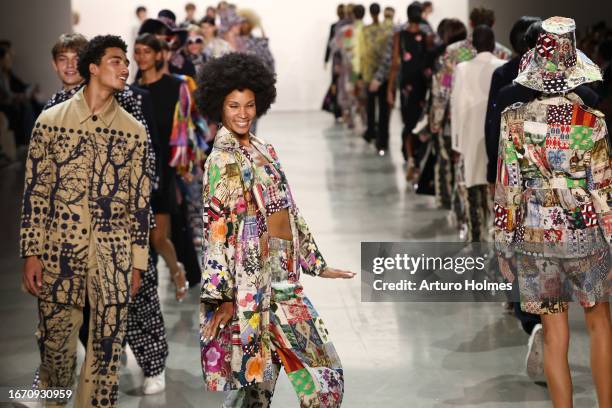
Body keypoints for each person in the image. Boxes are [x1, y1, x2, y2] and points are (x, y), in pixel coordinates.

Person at [198, 53, 355, 407]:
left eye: (250, 105)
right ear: (219, 107)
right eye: (233, 105)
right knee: (323, 380)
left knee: (257, 388)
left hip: (285, 277)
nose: (242, 113)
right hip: (256, 287)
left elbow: (289, 211)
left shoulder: (262, 148)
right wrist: (221, 297)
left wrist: (316, 262)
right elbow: (216, 230)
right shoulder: (221, 160)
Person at [20, 35, 150, 407]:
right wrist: (31, 252)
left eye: (127, 62)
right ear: (92, 67)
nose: (125, 68)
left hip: (113, 256)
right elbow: (36, 194)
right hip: (59, 252)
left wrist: (137, 263)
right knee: (55, 349)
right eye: (115, 61)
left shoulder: (133, 132)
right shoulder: (51, 123)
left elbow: (139, 204)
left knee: (107, 352)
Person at [495, 17, 612, 407]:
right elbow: (604, 189)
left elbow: (507, 190)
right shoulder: (592, 121)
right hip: (586, 234)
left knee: (554, 332)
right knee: (598, 324)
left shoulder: (513, 121)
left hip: (536, 234)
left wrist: (503, 246)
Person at [429, 6, 511, 239]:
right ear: (493, 24)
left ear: (471, 25)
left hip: (464, 125)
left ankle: (470, 227)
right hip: (496, 127)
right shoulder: (503, 55)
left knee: (466, 179)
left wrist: (436, 122)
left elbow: (443, 90)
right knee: (495, 180)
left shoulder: (453, 53)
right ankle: (494, 230)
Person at [133, 33, 190, 301]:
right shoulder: (131, 90)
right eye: (138, 51)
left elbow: (183, 131)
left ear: (158, 55)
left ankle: (176, 268)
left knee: (158, 237)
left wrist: (183, 166)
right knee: (142, 237)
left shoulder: (175, 87)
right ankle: (147, 284)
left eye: (147, 51)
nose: (141, 56)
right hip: (136, 170)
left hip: (165, 169)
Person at [450, 25, 505, 242]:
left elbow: (457, 106)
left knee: (473, 185)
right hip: (497, 133)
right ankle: (497, 235)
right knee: (497, 184)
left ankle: (476, 237)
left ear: (472, 45)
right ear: (493, 44)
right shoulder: (503, 67)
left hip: (471, 133)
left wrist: (456, 143)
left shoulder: (462, 68)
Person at [388, 1, 434, 180]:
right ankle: (415, 159)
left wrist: (390, 89)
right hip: (421, 84)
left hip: (406, 84)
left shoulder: (399, 35)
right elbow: (430, 60)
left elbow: (394, 64)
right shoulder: (427, 34)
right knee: (418, 122)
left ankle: (411, 160)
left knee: (408, 122)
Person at [362, 2, 393, 154]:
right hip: (385, 75)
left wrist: (360, 75)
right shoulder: (386, 30)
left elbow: (362, 53)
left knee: (371, 106)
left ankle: (371, 133)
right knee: (384, 110)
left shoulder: (365, 31)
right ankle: (382, 141)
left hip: (369, 74)